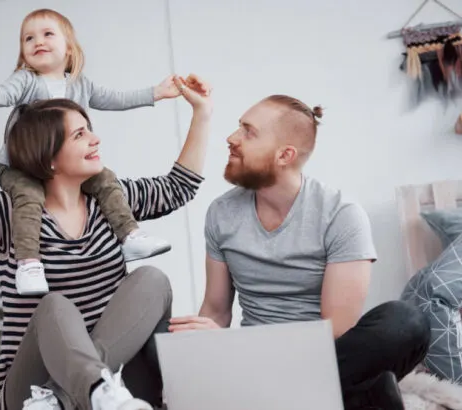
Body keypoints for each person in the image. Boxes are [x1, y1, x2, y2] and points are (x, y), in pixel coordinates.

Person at [0, 64, 213, 409]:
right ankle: (86, 392)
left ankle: (79, 394)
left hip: (94, 393)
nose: (95, 139)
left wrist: (201, 112)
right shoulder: (10, 213)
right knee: (55, 305)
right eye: (79, 135)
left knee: (152, 279)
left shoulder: (112, 203)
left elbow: (178, 187)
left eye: (89, 130)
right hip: (29, 393)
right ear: (48, 156)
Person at [168, 95, 431, 410]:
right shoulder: (221, 213)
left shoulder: (340, 214)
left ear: (284, 155)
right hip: (251, 364)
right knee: (162, 335)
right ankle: (352, 393)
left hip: (314, 355)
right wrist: (202, 350)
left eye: (247, 132)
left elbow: (335, 328)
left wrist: (260, 359)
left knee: (407, 321)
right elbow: (216, 309)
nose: (231, 138)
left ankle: (285, 397)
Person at [0, 8, 182, 296]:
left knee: (107, 180)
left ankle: (129, 235)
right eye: (28, 38)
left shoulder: (80, 84)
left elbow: (115, 99)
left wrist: (156, 92)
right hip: (22, 167)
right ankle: (29, 264)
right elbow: (3, 95)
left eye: (47, 34)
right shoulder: (26, 80)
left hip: (66, 168)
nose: (37, 41)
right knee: (28, 199)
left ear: (69, 48)